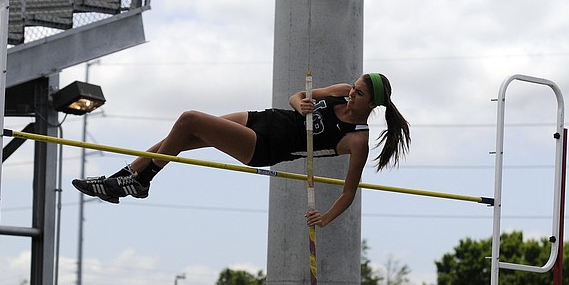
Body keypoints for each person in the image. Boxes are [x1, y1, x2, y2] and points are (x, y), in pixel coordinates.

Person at [73, 73, 410, 228]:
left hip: (265, 146)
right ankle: (123, 180)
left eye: (359, 94)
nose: (351, 94)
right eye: (354, 87)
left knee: (189, 119)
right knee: (178, 137)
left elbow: (349, 192)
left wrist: (324, 219)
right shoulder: (339, 90)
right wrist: (301, 105)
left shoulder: (357, 140)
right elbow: (296, 96)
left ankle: (140, 180)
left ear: (372, 104)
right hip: (262, 118)